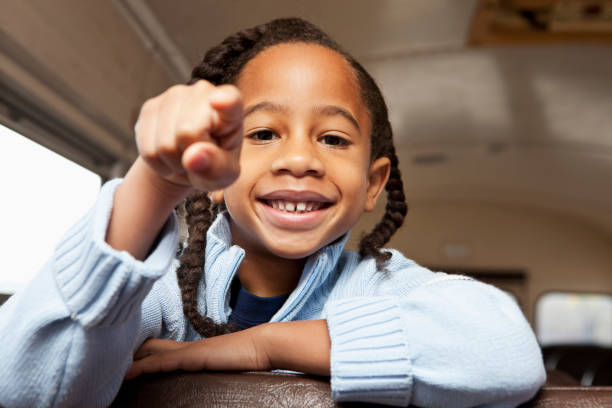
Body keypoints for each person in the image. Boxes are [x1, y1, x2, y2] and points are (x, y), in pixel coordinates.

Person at [0, 18, 545, 407]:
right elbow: (26, 384)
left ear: (372, 184)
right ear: (210, 179)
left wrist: (261, 346)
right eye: (262, 133)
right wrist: (155, 182)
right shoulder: (161, 291)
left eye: (333, 138)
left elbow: (505, 350)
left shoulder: (381, 285)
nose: (301, 159)